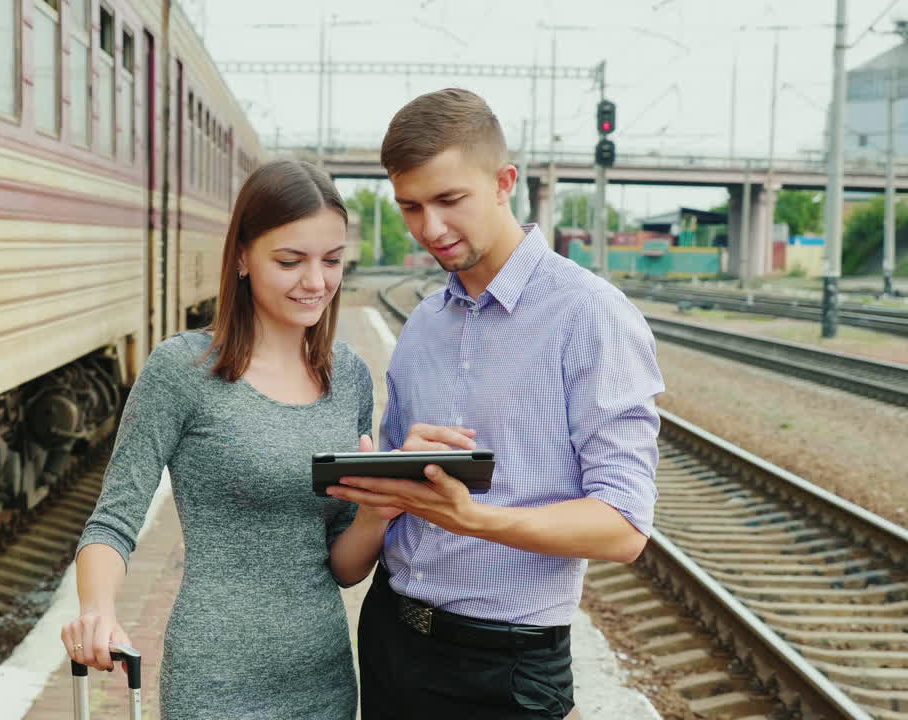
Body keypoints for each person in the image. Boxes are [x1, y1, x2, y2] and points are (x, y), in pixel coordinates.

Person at [326, 88, 665, 719]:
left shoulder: (591, 315)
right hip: (391, 638)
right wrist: (389, 482)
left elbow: (623, 527)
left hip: (505, 668)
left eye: (449, 200)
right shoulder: (423, 325)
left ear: (505, 183)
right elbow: (388, 512)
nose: (430, 229)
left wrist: (473, 518)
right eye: (410, 207)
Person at [61, 159, 388, 720]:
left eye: (331, 261)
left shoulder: (351, 377)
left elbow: (343, 566)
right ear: (241, 257)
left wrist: (376, 515)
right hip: (214, 683)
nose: (316, 282)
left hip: (325, 680)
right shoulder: (182, 369)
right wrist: (98, 610)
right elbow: (113, 520)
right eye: (290, 261)